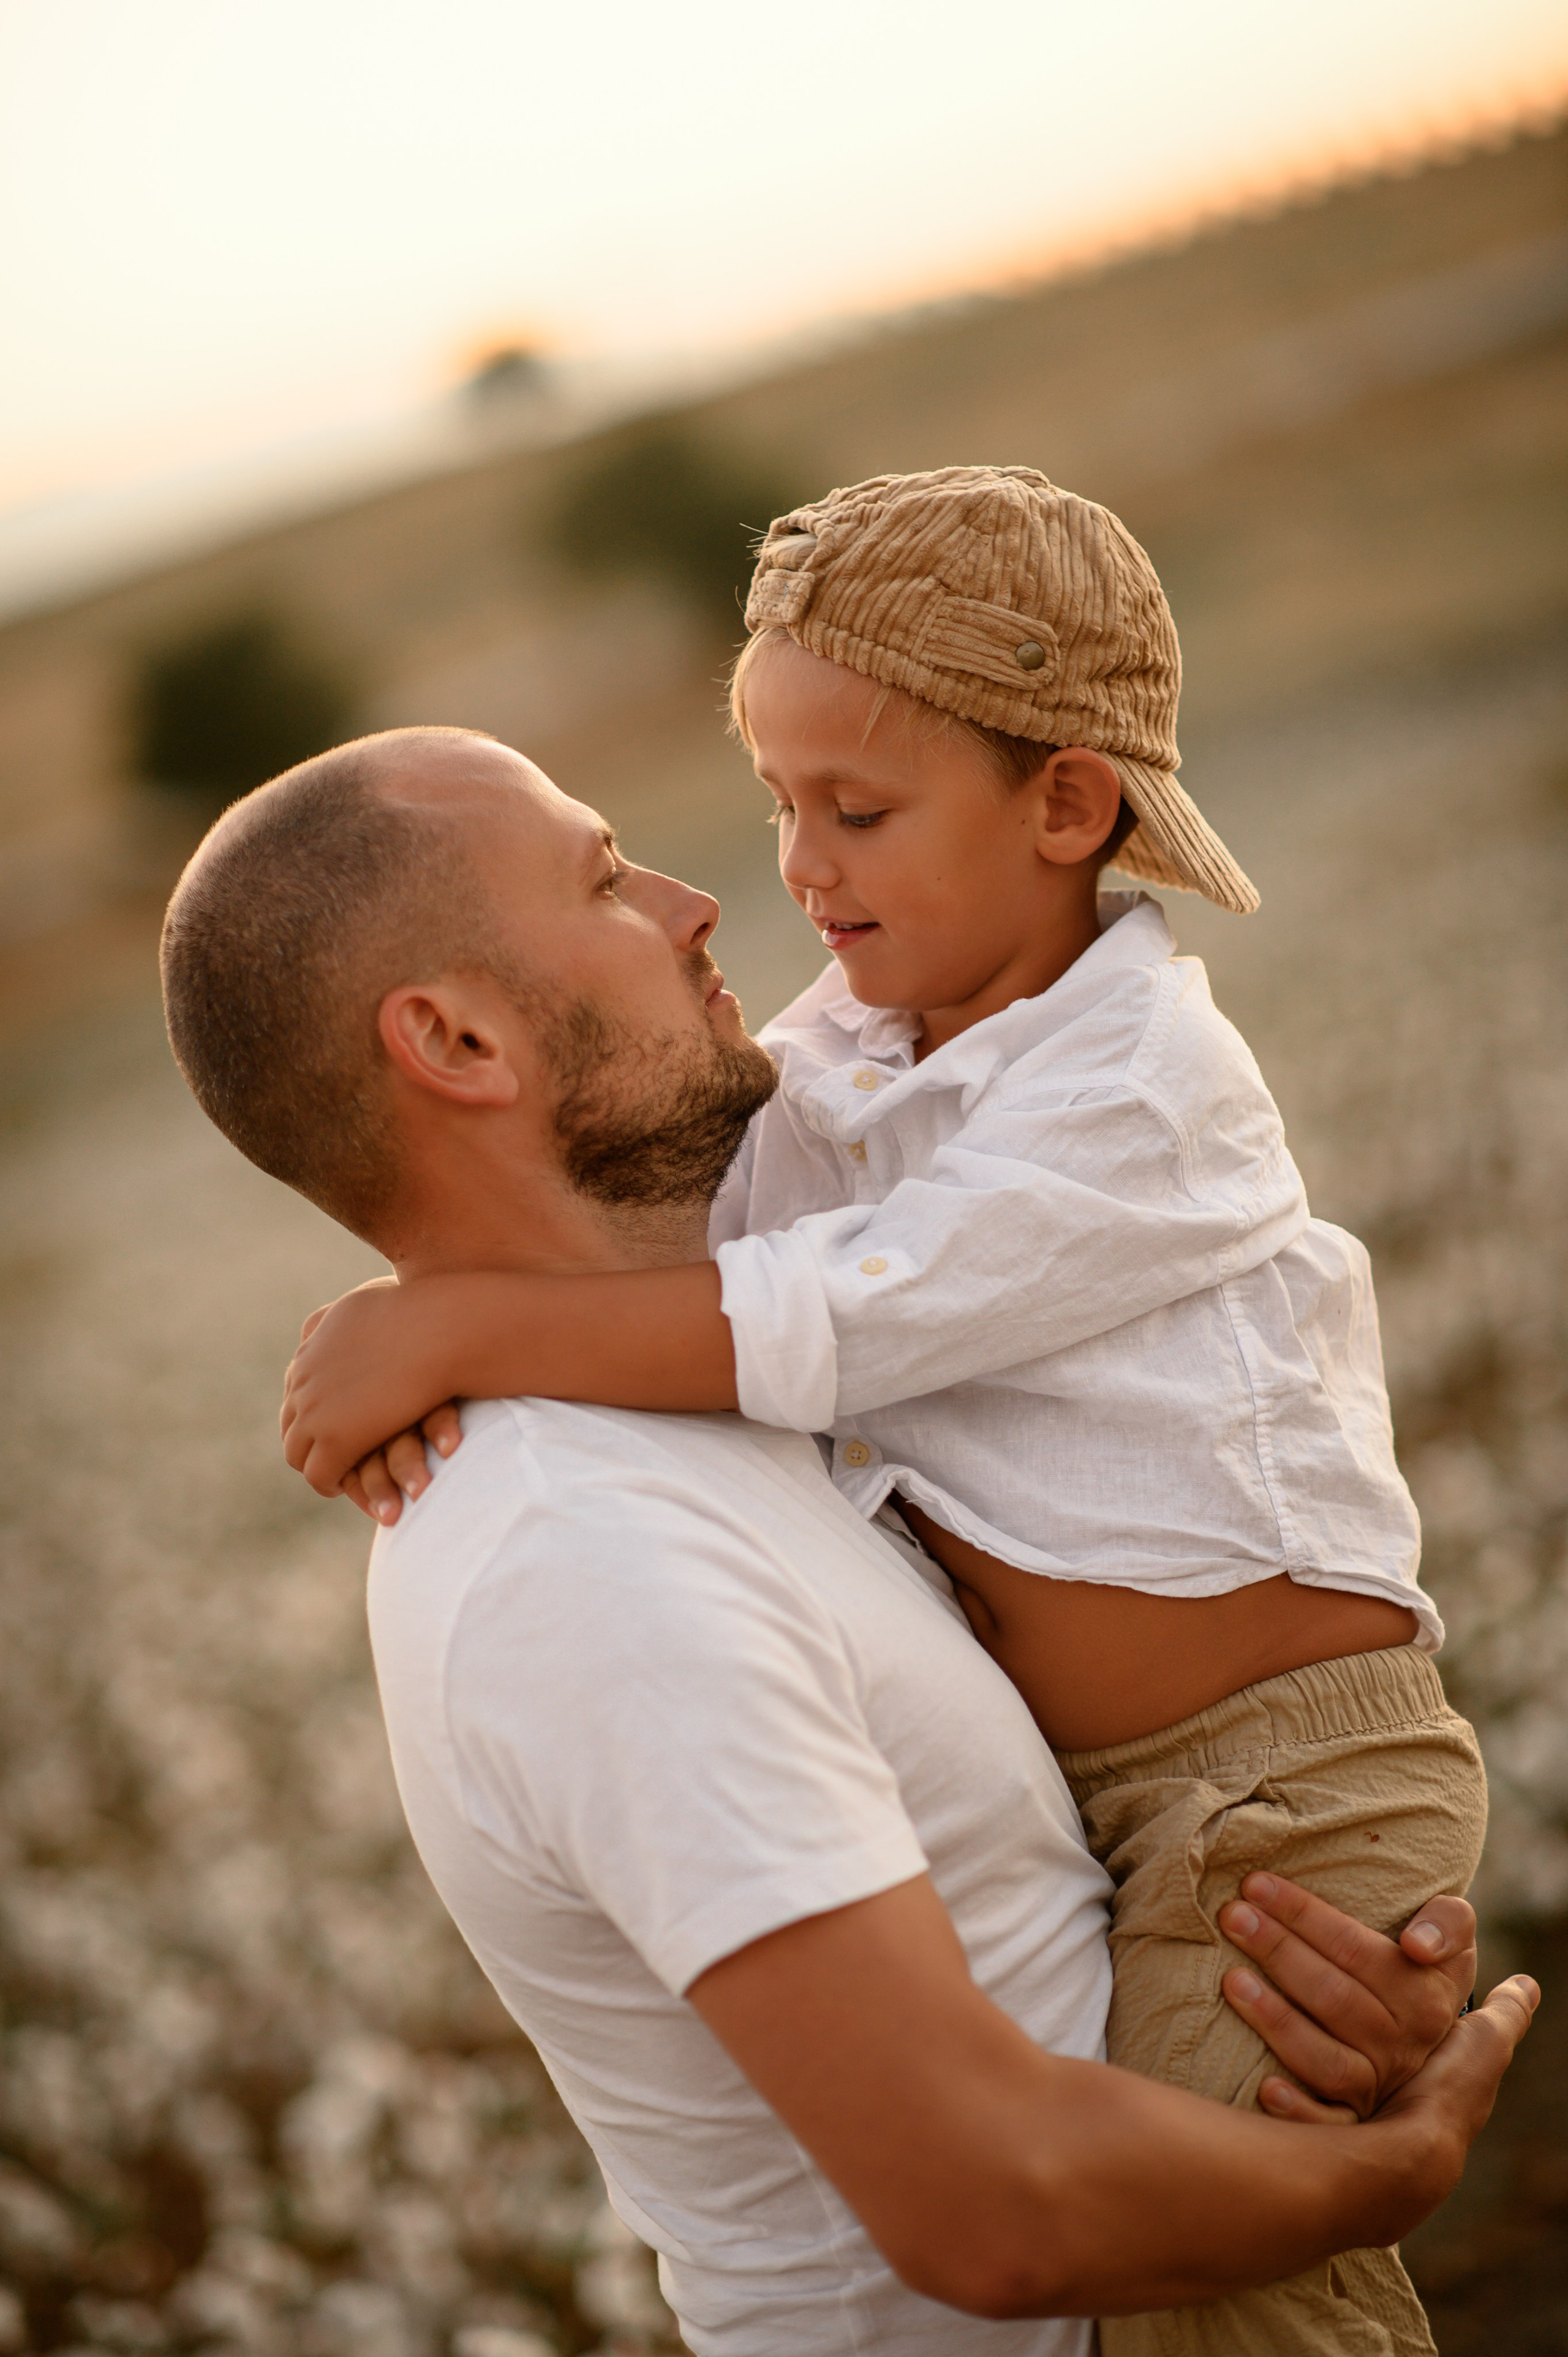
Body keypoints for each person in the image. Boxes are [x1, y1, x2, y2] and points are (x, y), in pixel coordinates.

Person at [281, 470, 1491, 2355]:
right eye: (620, 876)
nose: (741, 889)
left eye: (849, 810)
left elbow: (840, 1313)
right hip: (1174, 1867)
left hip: (1275, 1774)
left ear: (1068, 808)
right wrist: (1389, 2167)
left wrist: (455, 1320)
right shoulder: (571, 1542)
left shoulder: (1128, 1089)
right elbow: (1003, 2214)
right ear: (452, 1041)